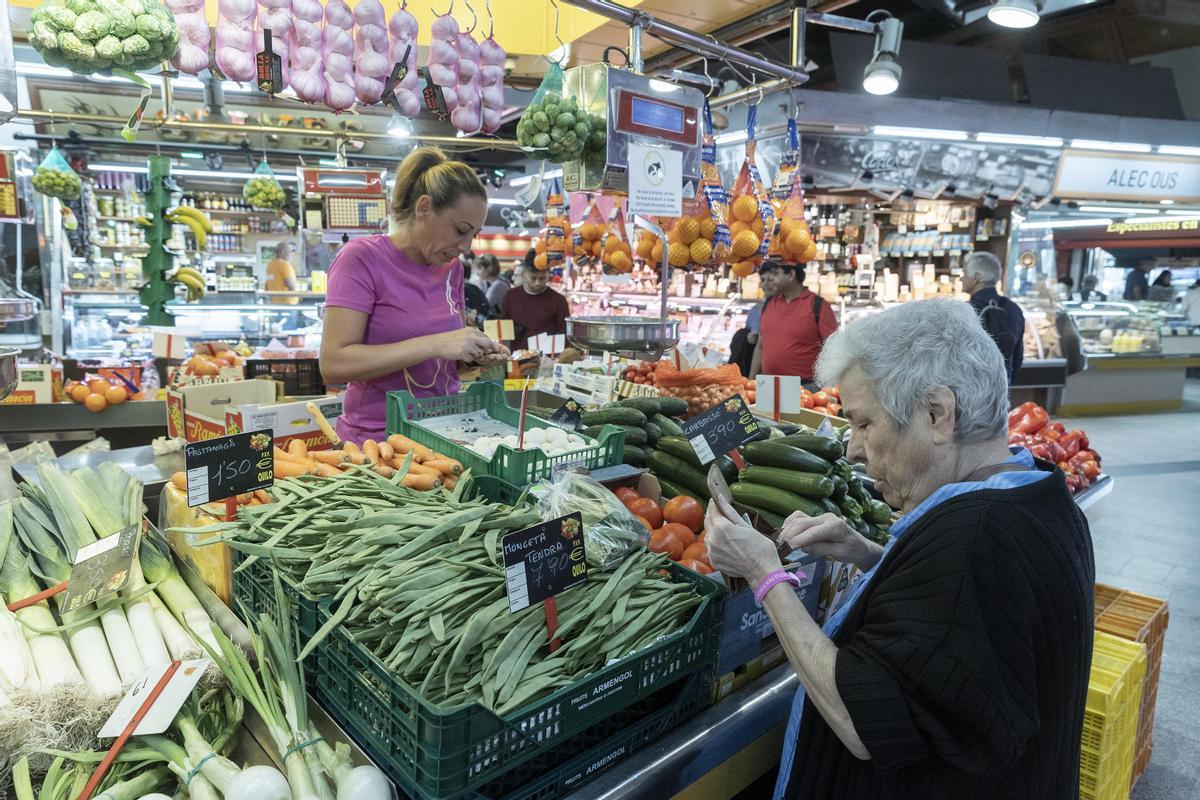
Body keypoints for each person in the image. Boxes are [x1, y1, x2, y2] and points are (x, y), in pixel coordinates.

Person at [705, 299, 1094, 800]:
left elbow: (862, 719)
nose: (853, 448)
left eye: (865, 424)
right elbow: (953, 640)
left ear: (938, 414)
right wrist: (870, 554)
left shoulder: (975, 539)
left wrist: (764, 575)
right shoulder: (1035, 491)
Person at [320, 147, 509, 443]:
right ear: (424, 208)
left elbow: (446, 358)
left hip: (446, 434)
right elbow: (333, 364)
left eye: (475, 234)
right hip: (377, 444)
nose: (467, 246)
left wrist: (473, 355)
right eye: (461, 230)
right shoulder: (360, 260)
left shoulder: (452, 269)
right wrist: (436, 343)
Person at [750, 260, 838, 384]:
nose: (771, 278)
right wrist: (751, 380)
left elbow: (833, 350)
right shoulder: (769, 304)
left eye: (776, 274)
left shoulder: (818, 305)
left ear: (791, 275)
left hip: (806, 387)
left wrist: (829, 386)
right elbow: (760, 346)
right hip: (767, 384)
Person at [962, 252, 1025, 383]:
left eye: (964, 273)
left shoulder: (964, 311)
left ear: (977, 277)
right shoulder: (1014, 309)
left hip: (970, 393)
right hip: (1001, 390)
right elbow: (1017, 361)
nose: (961, 279)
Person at [500, 261, 570, 350]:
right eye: (533, 278)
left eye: (542, 278)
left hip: (547, 358)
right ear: (524, 275)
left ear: (547, 275)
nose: (538, 283)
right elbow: (503, 327)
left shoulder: (558, 300)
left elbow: (564, 333)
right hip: (517, 355)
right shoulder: (510, 296)